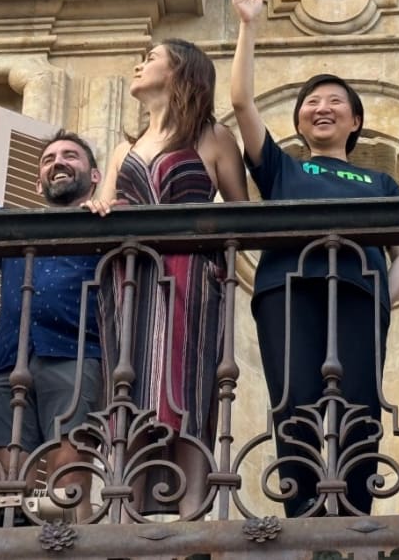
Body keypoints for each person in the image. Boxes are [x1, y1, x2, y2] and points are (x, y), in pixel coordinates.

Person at [229, 0, 399, 517]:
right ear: (300, 119)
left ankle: (356, 511)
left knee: (359, 403)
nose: (322, 107)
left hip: (359, 296)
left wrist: (385, 293)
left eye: (335, 101)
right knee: (294, 401)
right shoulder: (283, 168)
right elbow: (241, 103)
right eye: (312, 101)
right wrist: (249, 27)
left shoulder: (379, 182)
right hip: (287, 291)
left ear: (355, 120)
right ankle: (302, 511)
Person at [84, 37, 248, 517]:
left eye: (152, 58)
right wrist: (99, 208)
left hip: (190, 280)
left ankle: (192, 516)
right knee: (128, 390)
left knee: (188, 389)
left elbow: (244, 216)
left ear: (181, 72)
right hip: (129, 282)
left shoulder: (213, 138)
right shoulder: (123, 148)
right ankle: (125, 514)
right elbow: (108, 209)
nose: (139, 64)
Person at [0, 130, 104, 523]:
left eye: (70, 156)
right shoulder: (16, 226)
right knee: (8, 487)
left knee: (69, 480)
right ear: (38, 182)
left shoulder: (107, 222)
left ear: (95, 176)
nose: (58, 162)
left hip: (74, 352)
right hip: (7, 359)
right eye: (48, 159)